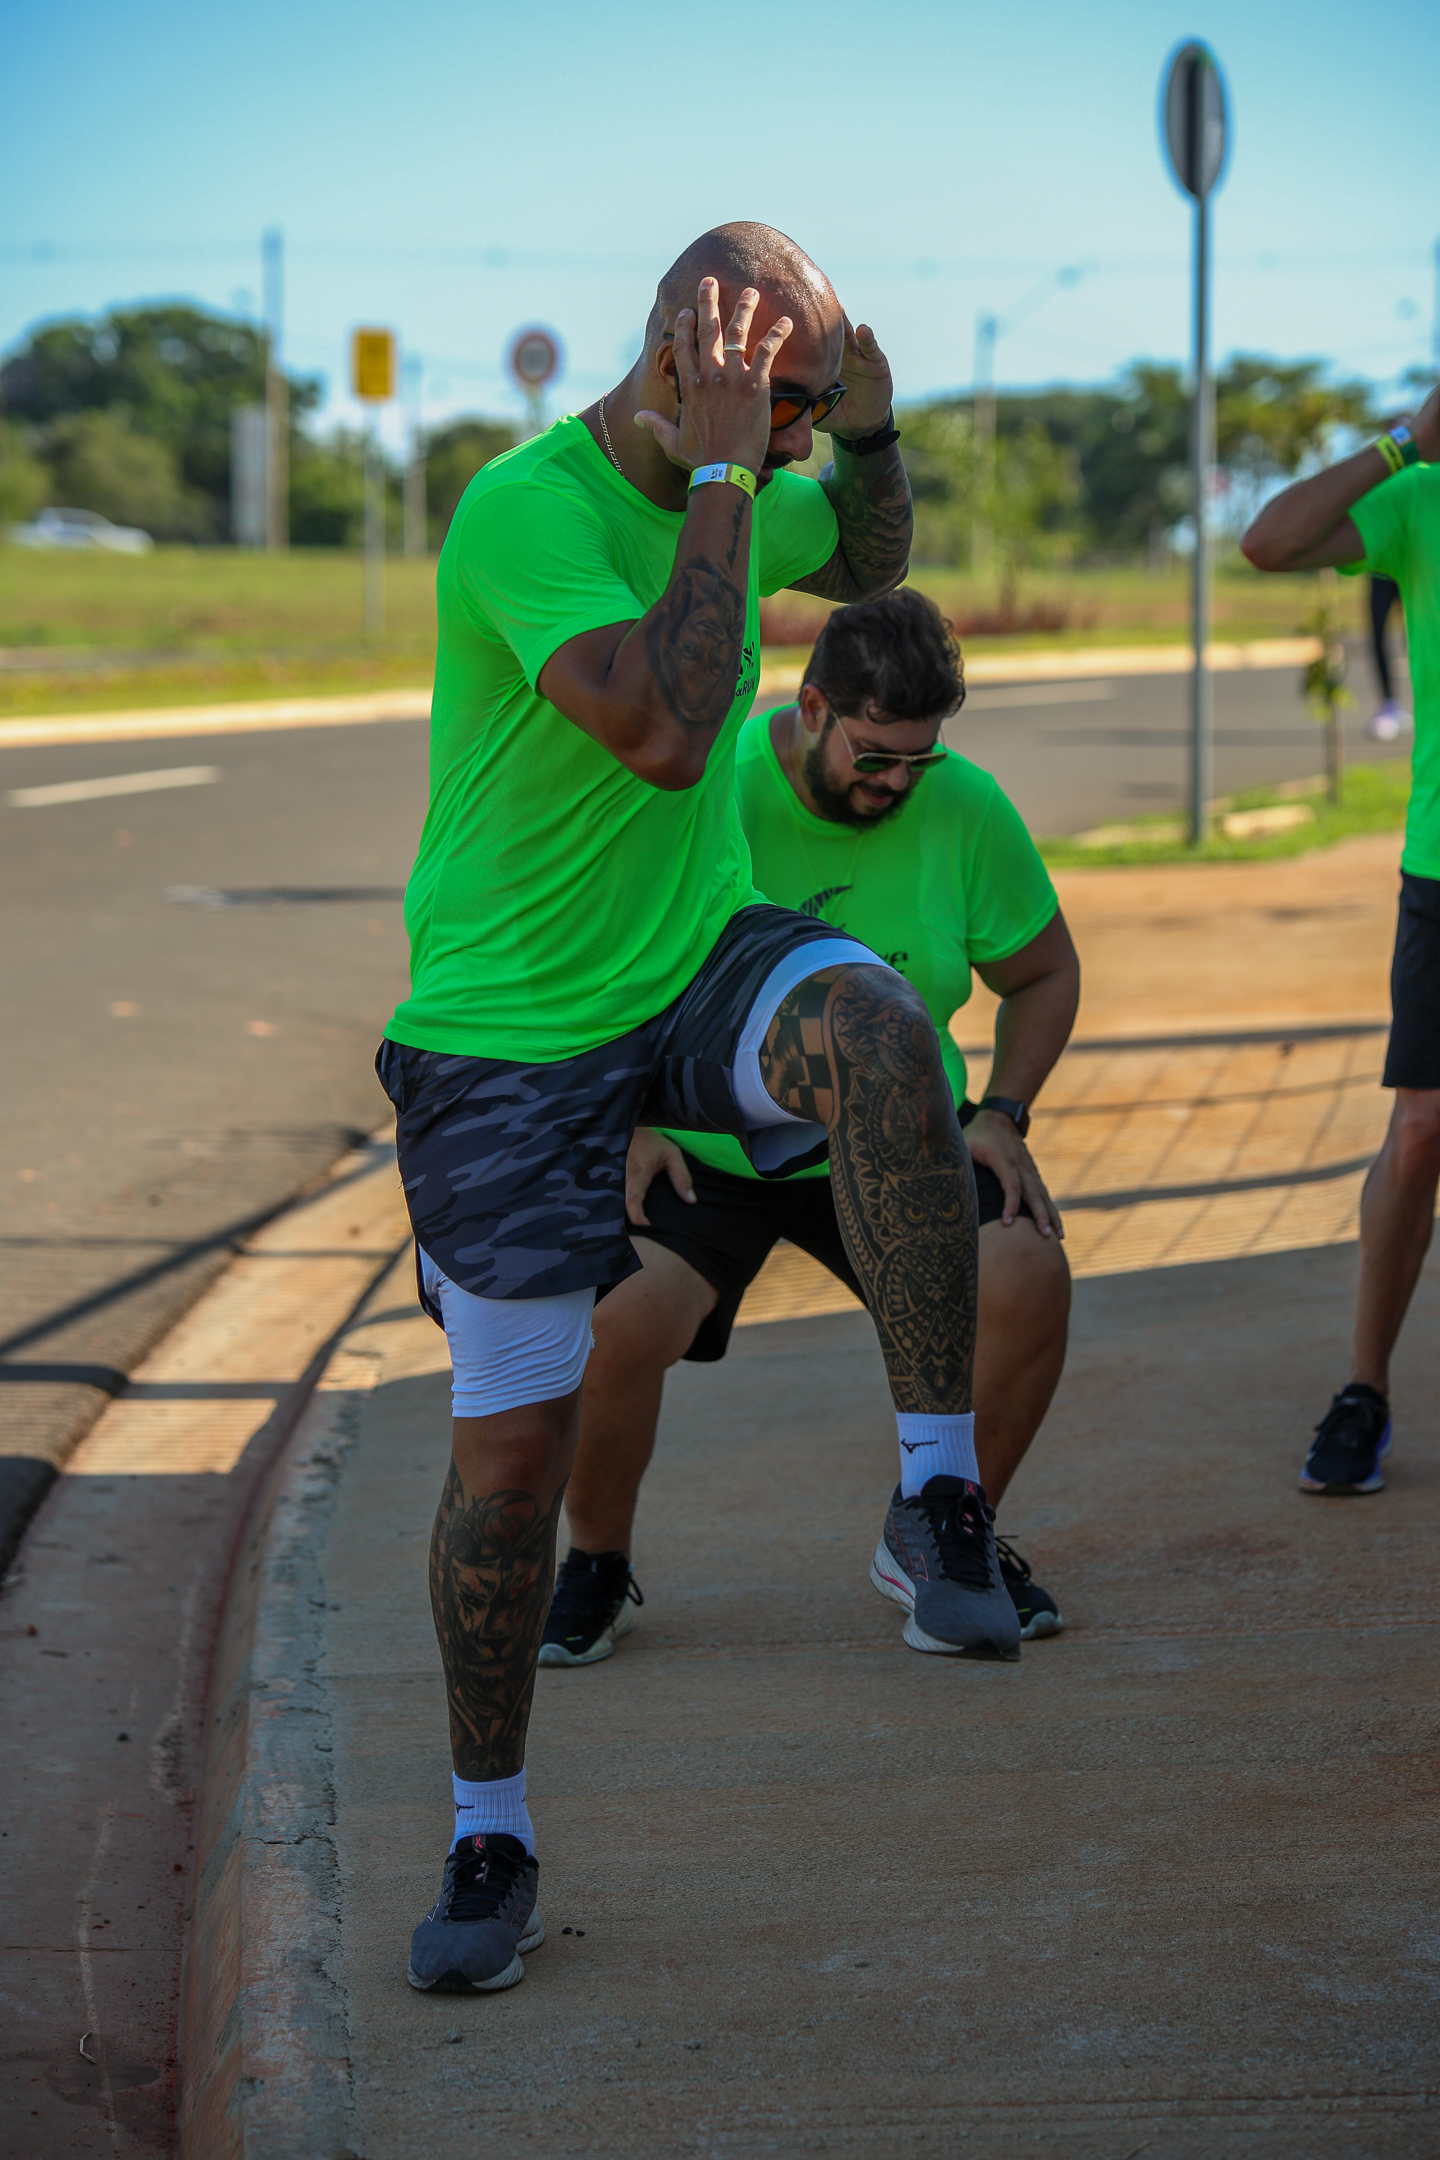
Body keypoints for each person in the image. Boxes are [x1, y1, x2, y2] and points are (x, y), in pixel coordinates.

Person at [378, 223, 1014, 1999]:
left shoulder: (772, 469)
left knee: (882, 1027)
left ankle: (935, 1495)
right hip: (508, 1033)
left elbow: (866, 552)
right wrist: (732, 472)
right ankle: (490, 1833)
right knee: (514, 1455)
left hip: (691, 963)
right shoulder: (530, 513)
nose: (792, 440)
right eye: (780, 401)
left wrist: (867, 432)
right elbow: (668, 729)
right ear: (685, 358)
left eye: (810, 405)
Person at [541, 589, 1079, 1668]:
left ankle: (944, 1530)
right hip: (705, 1154)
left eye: (920, 759)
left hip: (896, 1140)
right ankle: (596, 1563)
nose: (898, 781)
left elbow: (1044, 971)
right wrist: (626, 1117)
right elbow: (593, 958)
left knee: (1027, 1270)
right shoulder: (710, 790)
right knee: (608, 1319)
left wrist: (1003, 1112)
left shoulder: (964, 805)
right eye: (876, 755)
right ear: (813, 705)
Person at [1242, 386, 1440, 1495]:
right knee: (1420, 1133)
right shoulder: (1420, 496)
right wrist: (1405, 441)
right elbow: (1269, 542)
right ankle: (1365, 1389)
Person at [1367, 574, 1411, 741]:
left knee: (1415, 636)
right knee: (1378, 635)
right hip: (1381, 571)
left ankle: (1426, 699)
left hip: (1409, 571)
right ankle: (1389, 703)